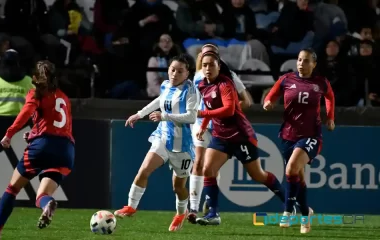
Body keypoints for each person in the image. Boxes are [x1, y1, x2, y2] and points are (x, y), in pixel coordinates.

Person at [0, 60, 75, 240]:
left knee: (12, 189)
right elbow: (59, 126)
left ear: (35, 78)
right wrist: (33, 134)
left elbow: (25, 113)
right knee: (42, 195)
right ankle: (48, 204)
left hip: (43, 147)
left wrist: (9, 134)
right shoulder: (63, 97)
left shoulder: (37, 93)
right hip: (66, 151)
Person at [193, 51, 285, 226]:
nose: (207, 68)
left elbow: (228, 109)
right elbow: (210, 107)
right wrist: (204, 125)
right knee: (208, 169)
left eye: (211, 65)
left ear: (219, 67)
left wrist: (203, 113)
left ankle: (290, 202)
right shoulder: (203, 86)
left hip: (240, 136)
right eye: (204, 65)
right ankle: (213, 214)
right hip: (221, 136)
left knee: (258, 175)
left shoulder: (225, 84)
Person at [114, 54, 198, 232]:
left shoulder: (191, 91)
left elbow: (191, 117)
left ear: (187, 74)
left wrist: (164, 116)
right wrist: (140, 114)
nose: (174, 74)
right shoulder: (166, 84)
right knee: (144, 170)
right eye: (172, 69)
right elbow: (159, 101)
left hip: (182, 146)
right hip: (163, 136)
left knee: (178, 188)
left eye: (179, 71)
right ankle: (131, 206)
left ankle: (180, 213)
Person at [263, 48, 335, 234]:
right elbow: (272, 94)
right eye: (300, 60)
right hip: (288, 135)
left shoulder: (320, 82)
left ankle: (287, 211)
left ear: (314, 64)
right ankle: (305, 214)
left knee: (291, 168)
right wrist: (268, 102)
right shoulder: (287, 79)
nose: (302, 64)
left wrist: (330, 117)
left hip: (311, 135)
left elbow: (330, 97)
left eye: (306, 61)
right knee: (298, 176)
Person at [188, 43, 257, 223]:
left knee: (211, 167)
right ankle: (193, 207)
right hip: (201, 122)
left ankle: (209, 204)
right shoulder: (197, 77)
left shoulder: (230, 77)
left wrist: (227, 109)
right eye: (204, 56)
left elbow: (247, 101)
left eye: (211, 56)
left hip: (222, 124)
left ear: (218, 60)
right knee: (199, 161)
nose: (207, 61)